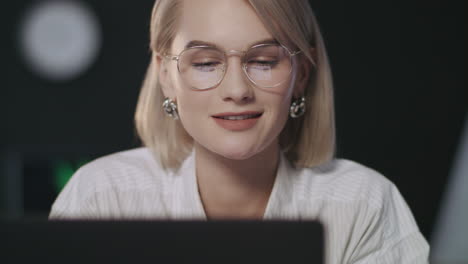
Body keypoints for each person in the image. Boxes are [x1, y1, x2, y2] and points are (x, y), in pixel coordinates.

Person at [49, 0, 430, 262]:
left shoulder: (364, 204)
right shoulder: (102, 198)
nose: (236, 90)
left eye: (264, 61)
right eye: (205, 62)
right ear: (166, 75)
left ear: (302, 75)